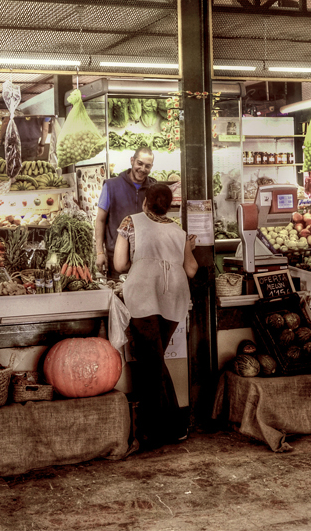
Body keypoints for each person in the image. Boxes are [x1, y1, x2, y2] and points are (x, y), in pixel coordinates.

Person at [113, 183, 198, 449]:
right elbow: (192, 270)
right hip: (174, 298)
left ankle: (167, 428)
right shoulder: (178, 230)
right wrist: (187, 250)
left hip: (143, 294)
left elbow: (119, 265)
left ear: (145, 202)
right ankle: (166, 426)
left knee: (151, 362)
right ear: (170, 204)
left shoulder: (131, 222)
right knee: (154, 359)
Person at [94, 146, 156, 277]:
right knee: (119, 295)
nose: (143, 169)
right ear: (132, 160)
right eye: (140, 163)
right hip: (116, 257)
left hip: (146, 257)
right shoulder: (111, 186)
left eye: (147, 166)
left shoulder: (154, 187)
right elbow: (100, 220)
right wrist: (99, 252)